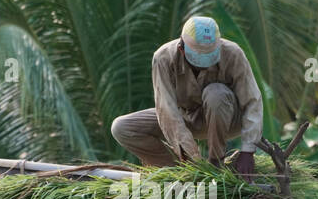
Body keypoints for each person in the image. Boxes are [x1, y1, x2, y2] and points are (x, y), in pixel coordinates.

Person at [111, 16, 262, 180]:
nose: (204, 65)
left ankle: (215, 162)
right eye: (198, 59)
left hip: (228, 118)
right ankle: (177, 169)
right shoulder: (163, 58)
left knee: (216, 93)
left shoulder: (233, 53)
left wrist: (248, 151)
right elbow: (167, 110)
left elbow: (252, 101)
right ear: (181, 48)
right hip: (184, 118)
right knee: (121, 127)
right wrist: (193, 158)